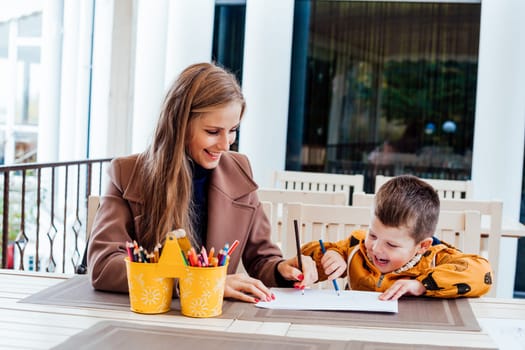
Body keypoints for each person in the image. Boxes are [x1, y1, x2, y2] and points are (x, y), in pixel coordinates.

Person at [87, 62, 316, 303]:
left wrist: (282, 269)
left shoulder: (239, 170)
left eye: (233, 130)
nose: (226, 145)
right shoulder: (127, 173)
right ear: (180, 125)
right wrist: (201, 282)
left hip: (217, 322)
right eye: (213, 131)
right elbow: (104, 266)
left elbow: (261, 260)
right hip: (150, 321)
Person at [301, 174, 493, 300]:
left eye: (392, 244)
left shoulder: (435, 258)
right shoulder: (355, 247)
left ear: (422, 246)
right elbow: (304, 259)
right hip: (356, 330)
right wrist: (331, 256)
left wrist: (420, 285)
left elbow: (483, 274)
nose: (376, 248)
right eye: (373, 235)